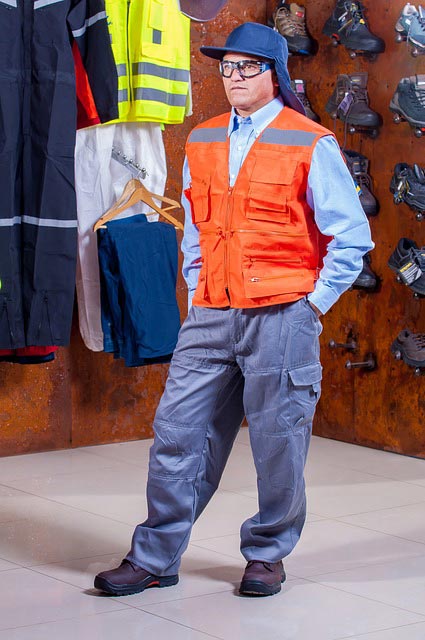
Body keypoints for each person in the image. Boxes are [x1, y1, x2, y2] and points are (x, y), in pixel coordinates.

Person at [94, 21, 373, 598]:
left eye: (248, 67)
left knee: (278, 442)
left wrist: (311, 305)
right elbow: (197, 231)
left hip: (282, 316)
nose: (236, 77)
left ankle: (267, 555)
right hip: (211, 315)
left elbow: (352, 239)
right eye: (227, 67)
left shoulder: (310, 142)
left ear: (275, 73)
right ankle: (154, 556)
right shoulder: (202, 139)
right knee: (177, 435)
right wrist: (197, 288)